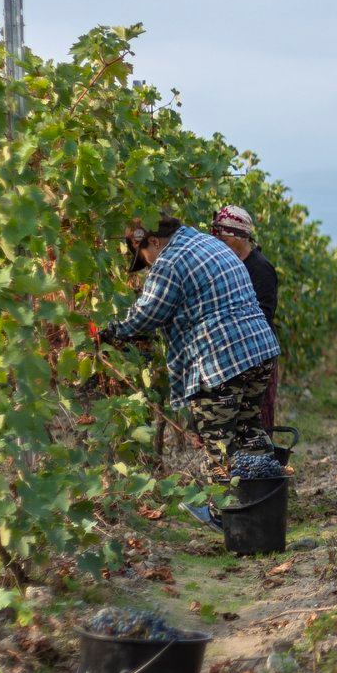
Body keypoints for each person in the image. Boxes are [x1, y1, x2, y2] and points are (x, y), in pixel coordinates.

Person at [99, 216, 279, 527]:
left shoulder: (171, 259)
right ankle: (268, 508)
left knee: (220, 442)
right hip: (259, 351)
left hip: (223, 360)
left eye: (143, 258)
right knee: (250, 432)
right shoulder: (207, 243)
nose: (147, 266)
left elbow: (147, 314)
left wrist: (110, 332)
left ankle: (228, 517)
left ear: (152, 242)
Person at [209, 204, 280, 431]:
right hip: (231, 353)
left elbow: (264, 315)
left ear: (241, 237)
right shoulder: (225, 267)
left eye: (225, 241)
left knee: (255, 417)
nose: (221, 246)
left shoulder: (260, 269)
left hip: (256, 355)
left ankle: (263, 463)